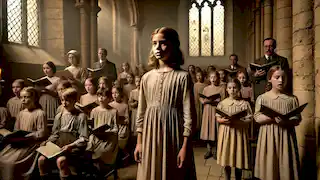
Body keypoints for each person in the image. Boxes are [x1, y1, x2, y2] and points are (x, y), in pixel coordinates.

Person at [134, 27, 196, 180]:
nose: (158, 48)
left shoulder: (183, 77)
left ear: (173, 45)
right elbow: (141, 112)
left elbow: (189, 115)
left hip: (173, 133)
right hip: (150, 134)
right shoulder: (146, 78)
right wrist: (139, 142)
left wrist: (185, 147)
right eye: (154, 43)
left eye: (163, 43)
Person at [254, 65, 301, 180]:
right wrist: (271, 118)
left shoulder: (292, 99)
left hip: (286, 136)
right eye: (277, 77)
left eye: (283, 77)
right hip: (268, 136)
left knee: (285, 165)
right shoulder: (263, 98)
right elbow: (257, 117)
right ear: (270, 78)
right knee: (269, 166)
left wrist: (287, 122)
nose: (281, 80)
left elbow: (297, 119)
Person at [38, 88, 89, 180]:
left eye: (68, 101)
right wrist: (47, 142)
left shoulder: (81, 116)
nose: (64, 103)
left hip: (73, 148)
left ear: (75, 101)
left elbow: (84, 138)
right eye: (62, 100)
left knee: (61, 161)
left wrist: (71, 146)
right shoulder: (59, 116)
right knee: (41, 160)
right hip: (59, 146)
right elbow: (55, 134)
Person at [0, 87, 47, 180]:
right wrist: (12, 135)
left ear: (34, 98)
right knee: (1, 158)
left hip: (31, 144)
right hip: (19, 142)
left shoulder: (40, 113)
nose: (23, 100)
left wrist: (31, 135)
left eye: (26, 97)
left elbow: (42, 133)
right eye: (21, 97)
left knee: (11, 163)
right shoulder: (21, 113)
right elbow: (16, 130)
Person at [216, 78, 253, 180]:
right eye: (230, 88)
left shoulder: (244, 104)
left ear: (239, 89)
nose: (232, 90)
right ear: (226, 90)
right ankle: (227, 177)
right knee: (226, 157)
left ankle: (238, 177)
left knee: (238, 157)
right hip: (226, 133)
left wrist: (239, 121)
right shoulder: (222, 103)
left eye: (235, 88)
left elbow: (249, 119)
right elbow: (218, 118)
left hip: (239, 133)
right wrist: (223, 121)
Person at [86, 88, 118, 168]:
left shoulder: (114, 111)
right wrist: (93, 130)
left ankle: (100, 168)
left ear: (109, 98)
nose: (101, 98)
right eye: (99, 96)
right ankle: (95, 169)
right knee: (89, 146)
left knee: (103, 151)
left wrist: (108, 132)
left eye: (103, 96)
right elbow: (91, 126)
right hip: (96, 137)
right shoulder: (94, 111)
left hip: (108, 138)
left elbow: (116, 128)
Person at [200, 71, 225, 160]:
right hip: (207, 111)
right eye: (211, 77)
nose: (213, 79)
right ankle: (209, 150)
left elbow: (223, 101)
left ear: (218, 78)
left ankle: (216, 151)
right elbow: (202, 99)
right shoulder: (206, 89)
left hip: (216, 111)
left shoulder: (221, 89)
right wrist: (204, 101)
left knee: (215, 130)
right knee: (207, 130)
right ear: (209, 78)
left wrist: (215, 101)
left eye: (215, 77)